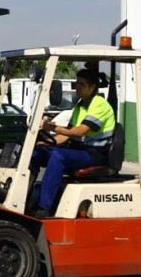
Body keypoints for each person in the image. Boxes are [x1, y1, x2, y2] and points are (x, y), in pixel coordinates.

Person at [30, 68, 116, 218]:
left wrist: (50, 126)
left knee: (59, 156)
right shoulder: (80, 106)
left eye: (81, 84)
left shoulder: (100, 105)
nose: (77, 87)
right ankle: (24, 198)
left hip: (95, 154)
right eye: (76, 83)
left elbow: (78, 132)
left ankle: (43, 208)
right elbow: (67, 135)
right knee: (37, 152)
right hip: (80, 150)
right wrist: (47, 143)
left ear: (92, 87)